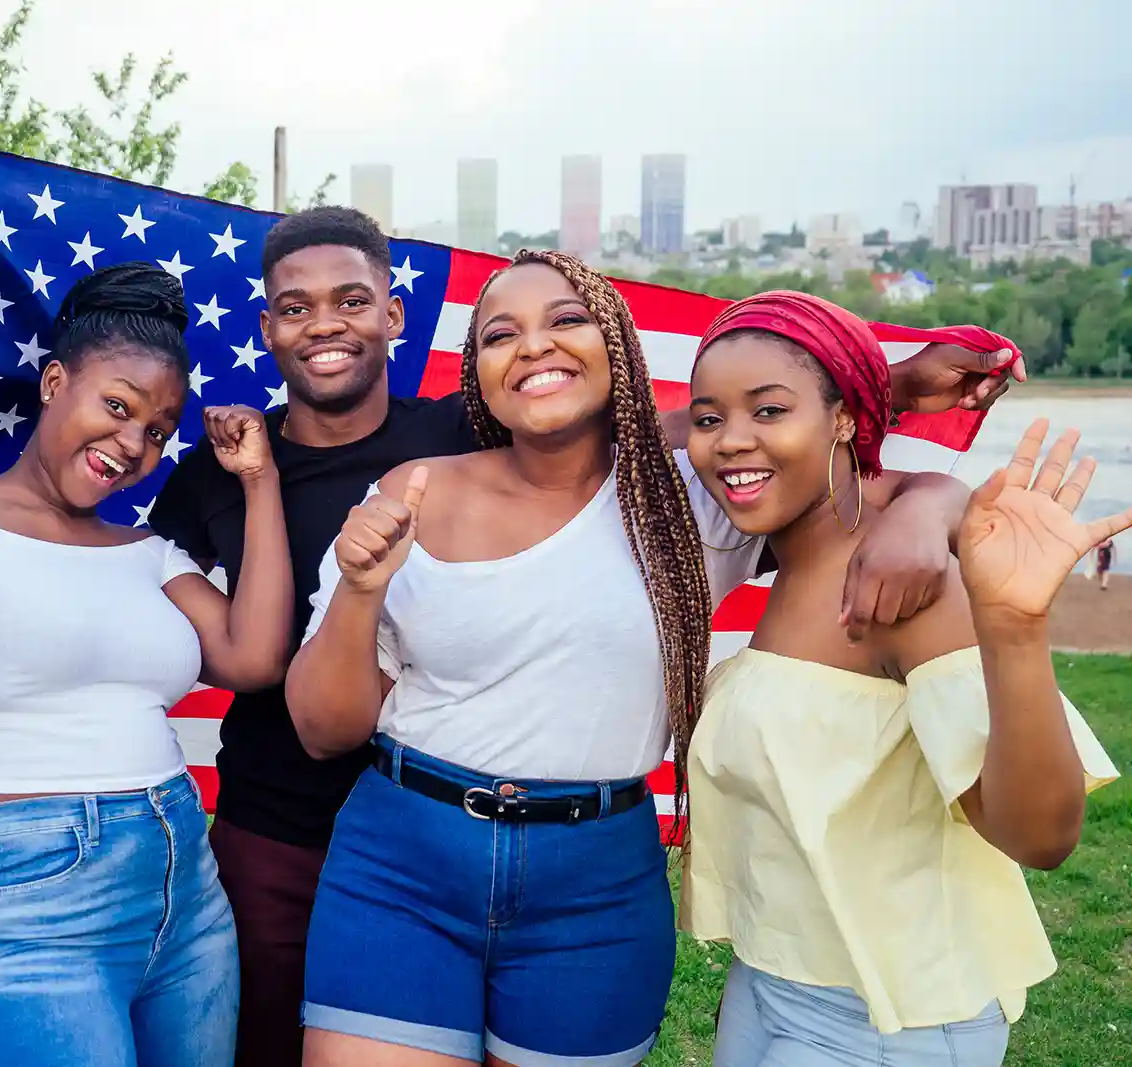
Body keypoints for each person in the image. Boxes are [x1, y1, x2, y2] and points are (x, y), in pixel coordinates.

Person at [142, 207, 1025, 1067]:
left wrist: (926, 502)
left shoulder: (691, 494)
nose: (533, 346)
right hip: (401, 859)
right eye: (499, 334)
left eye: (566, 319)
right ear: (476, 371)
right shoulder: (414, 487)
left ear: (618, 345)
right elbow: (326, 726)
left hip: (595, 882)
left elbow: (815, 464)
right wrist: (359, 591)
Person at [0, 261, 294, 1067]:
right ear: (54, 380)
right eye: (117, 406)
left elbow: (253, 655)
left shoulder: (146, 551)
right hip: (32, 893)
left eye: (156, 430)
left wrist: (260, 478)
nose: (132, 443)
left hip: (184, 882)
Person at [677, 292, 1122, 1067]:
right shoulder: (798, 548)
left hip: (890, 1018)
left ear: (844, 418)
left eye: (769, 410)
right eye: (709, 418)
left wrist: (1015, 627)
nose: (730, 442)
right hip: (774, 984)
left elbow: (1040, 834)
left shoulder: (904, 581)